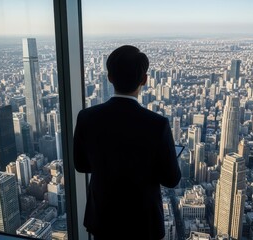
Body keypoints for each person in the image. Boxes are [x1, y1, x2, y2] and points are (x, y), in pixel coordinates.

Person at [73, 45, 181, 240]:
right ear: (145, 80)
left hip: (103, 220)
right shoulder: (157, 125)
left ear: (110, 77)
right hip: (142, 225)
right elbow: (171, 179)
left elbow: (81, 165)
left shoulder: (87, 117)